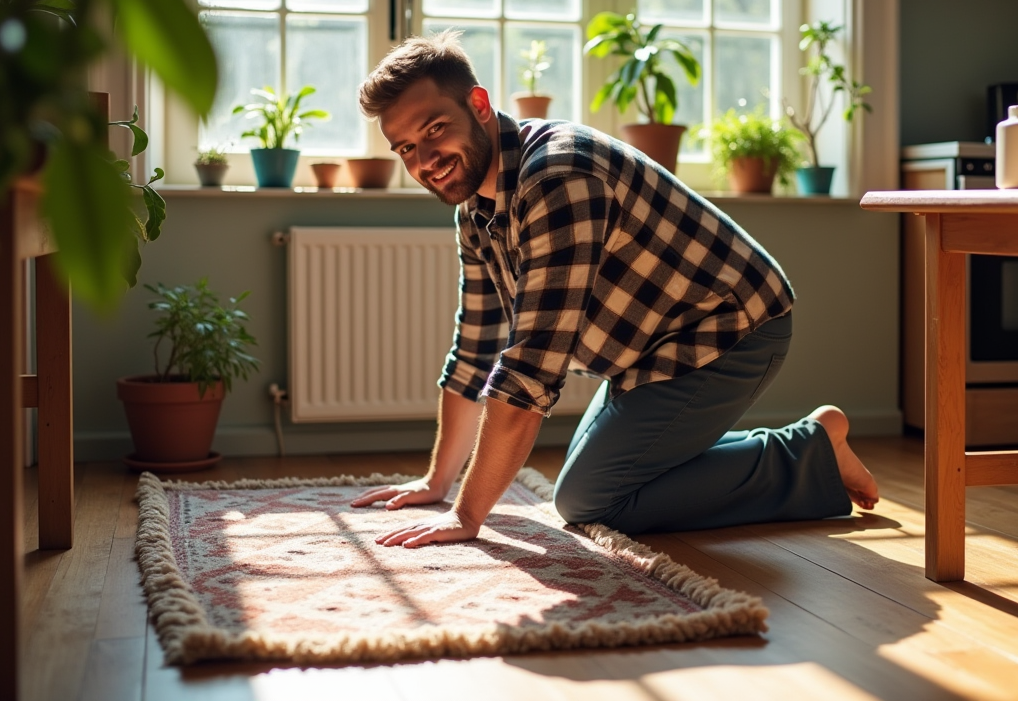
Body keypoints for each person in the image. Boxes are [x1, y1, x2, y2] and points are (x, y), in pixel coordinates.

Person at [349, 30, 878, 547]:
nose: (425, 161)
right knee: (595, 481)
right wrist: (438, 483)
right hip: (649, 351)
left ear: (480, 105)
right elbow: (477, 345)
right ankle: (814, 442)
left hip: (730, 326)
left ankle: (810, 455)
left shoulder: (557, 178)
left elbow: (528, 372)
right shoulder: (475, 209)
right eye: (406, 149)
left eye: (436, 129)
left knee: (589, 498)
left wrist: (466, 516)